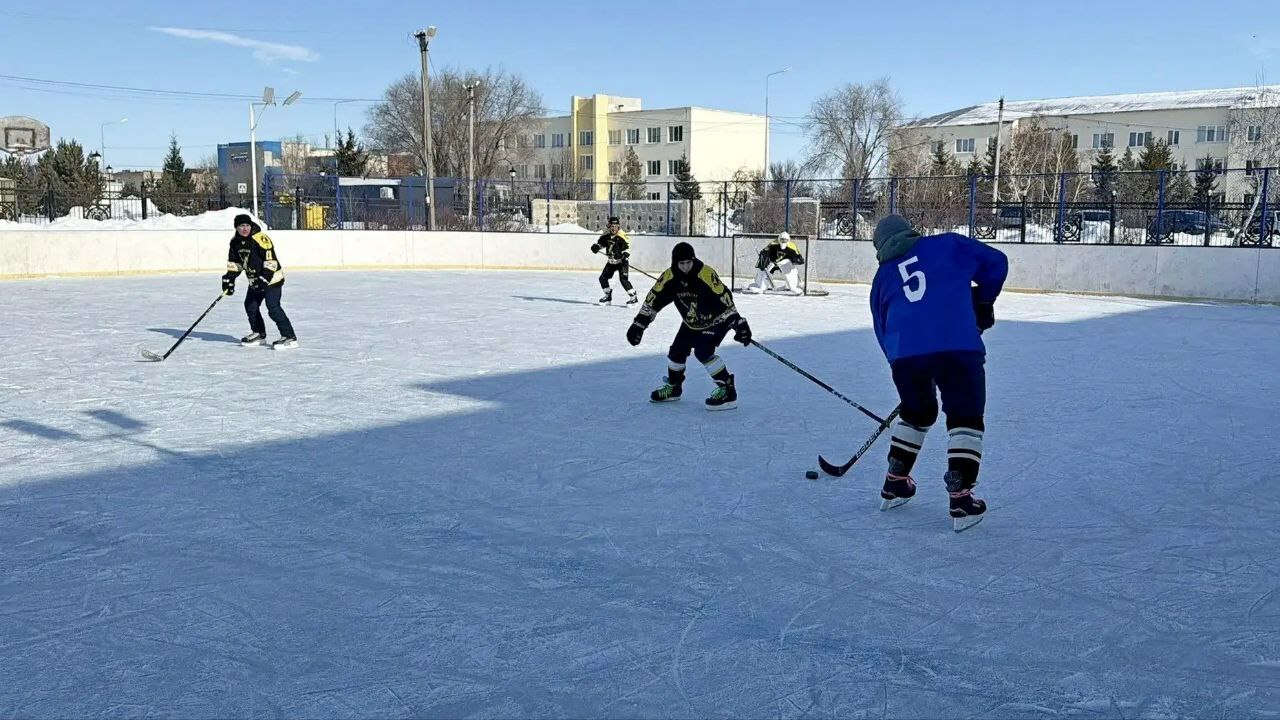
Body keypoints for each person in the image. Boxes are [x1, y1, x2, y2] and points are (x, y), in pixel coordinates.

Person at [868, 215, 1008, 532]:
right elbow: (997, 263)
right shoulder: (947, 244)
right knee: (964, 415)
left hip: (904, 354)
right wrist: (983, 302)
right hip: (957, 346)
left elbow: (882, 328)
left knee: (917, 412)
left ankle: (896, 481)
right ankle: (961, 498)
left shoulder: (882, 276)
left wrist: (903, 362)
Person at [626, 242, 752, 410]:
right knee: (676, 352)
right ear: (675, 263)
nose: (685, 267)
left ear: (693, 260)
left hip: (716, 321)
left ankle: (727, 389)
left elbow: (725, 299)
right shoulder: (669, 277)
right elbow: (653, 300)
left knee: (703, 352)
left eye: (688, 262)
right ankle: (674, 387)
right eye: (681, 263)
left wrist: (738, 323)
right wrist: (639, 324)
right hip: (690, 323)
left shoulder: (706, 274)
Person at [222, 214, 298, 349]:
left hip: (272, 279)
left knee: (273, 307)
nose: (245, 229)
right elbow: (236, 263)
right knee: (250, 306)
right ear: (236, 228)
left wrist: (263, 279)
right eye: (241, 226)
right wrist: (229, 278)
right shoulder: (235, 242)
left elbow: (271, 261)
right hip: (255, 280)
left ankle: (289, 337)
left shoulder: (260, 238)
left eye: (247, 225)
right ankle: (259, 333)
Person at [591, 216, 637, 304]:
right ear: (609, 226)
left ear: (618, 226)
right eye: (612, 226)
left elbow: (628, 247)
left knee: (623, 280)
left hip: (621, 262)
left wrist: (625, 255)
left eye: (616, 226)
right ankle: (608, 296)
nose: (614, 228)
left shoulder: (621, 235)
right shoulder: (606, 235)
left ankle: (633, 297)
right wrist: (596, 247)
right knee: (602, 278)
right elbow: (601, 243)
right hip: (611, 262)